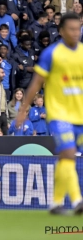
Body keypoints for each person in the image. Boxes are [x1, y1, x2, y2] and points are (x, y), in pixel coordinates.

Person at [16, 13, 83, 215]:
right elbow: (36, 83)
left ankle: (55, 203)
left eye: (78, 28)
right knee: (69, 154)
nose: (75, 32)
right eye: (71, 29)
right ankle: (78, 200)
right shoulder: (51, 54)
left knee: (66, 159)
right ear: (61, 31)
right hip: (59, 114)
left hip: (79, 114)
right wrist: (23, 109)